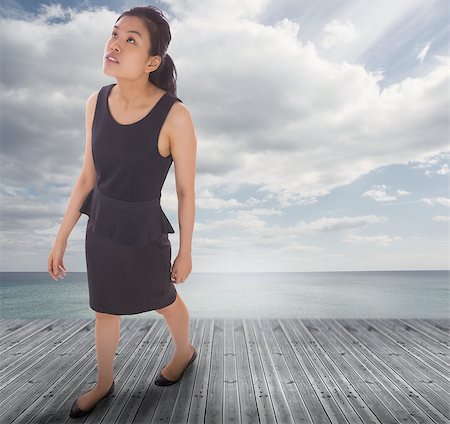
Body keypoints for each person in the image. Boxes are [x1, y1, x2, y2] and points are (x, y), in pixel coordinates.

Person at [47, 5, 197, 418]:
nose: (115, 43)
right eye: (115, 34)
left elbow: (186, 191)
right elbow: (86, 177)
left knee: (164, 299)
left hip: (145, 230)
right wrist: (61, 236)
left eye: (131, 39)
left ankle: (184, 352)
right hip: (102, 227)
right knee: (105, 308)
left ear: (153, 61)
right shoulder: (95, 102)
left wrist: (185, 252)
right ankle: (104, 382)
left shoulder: (176, 116)